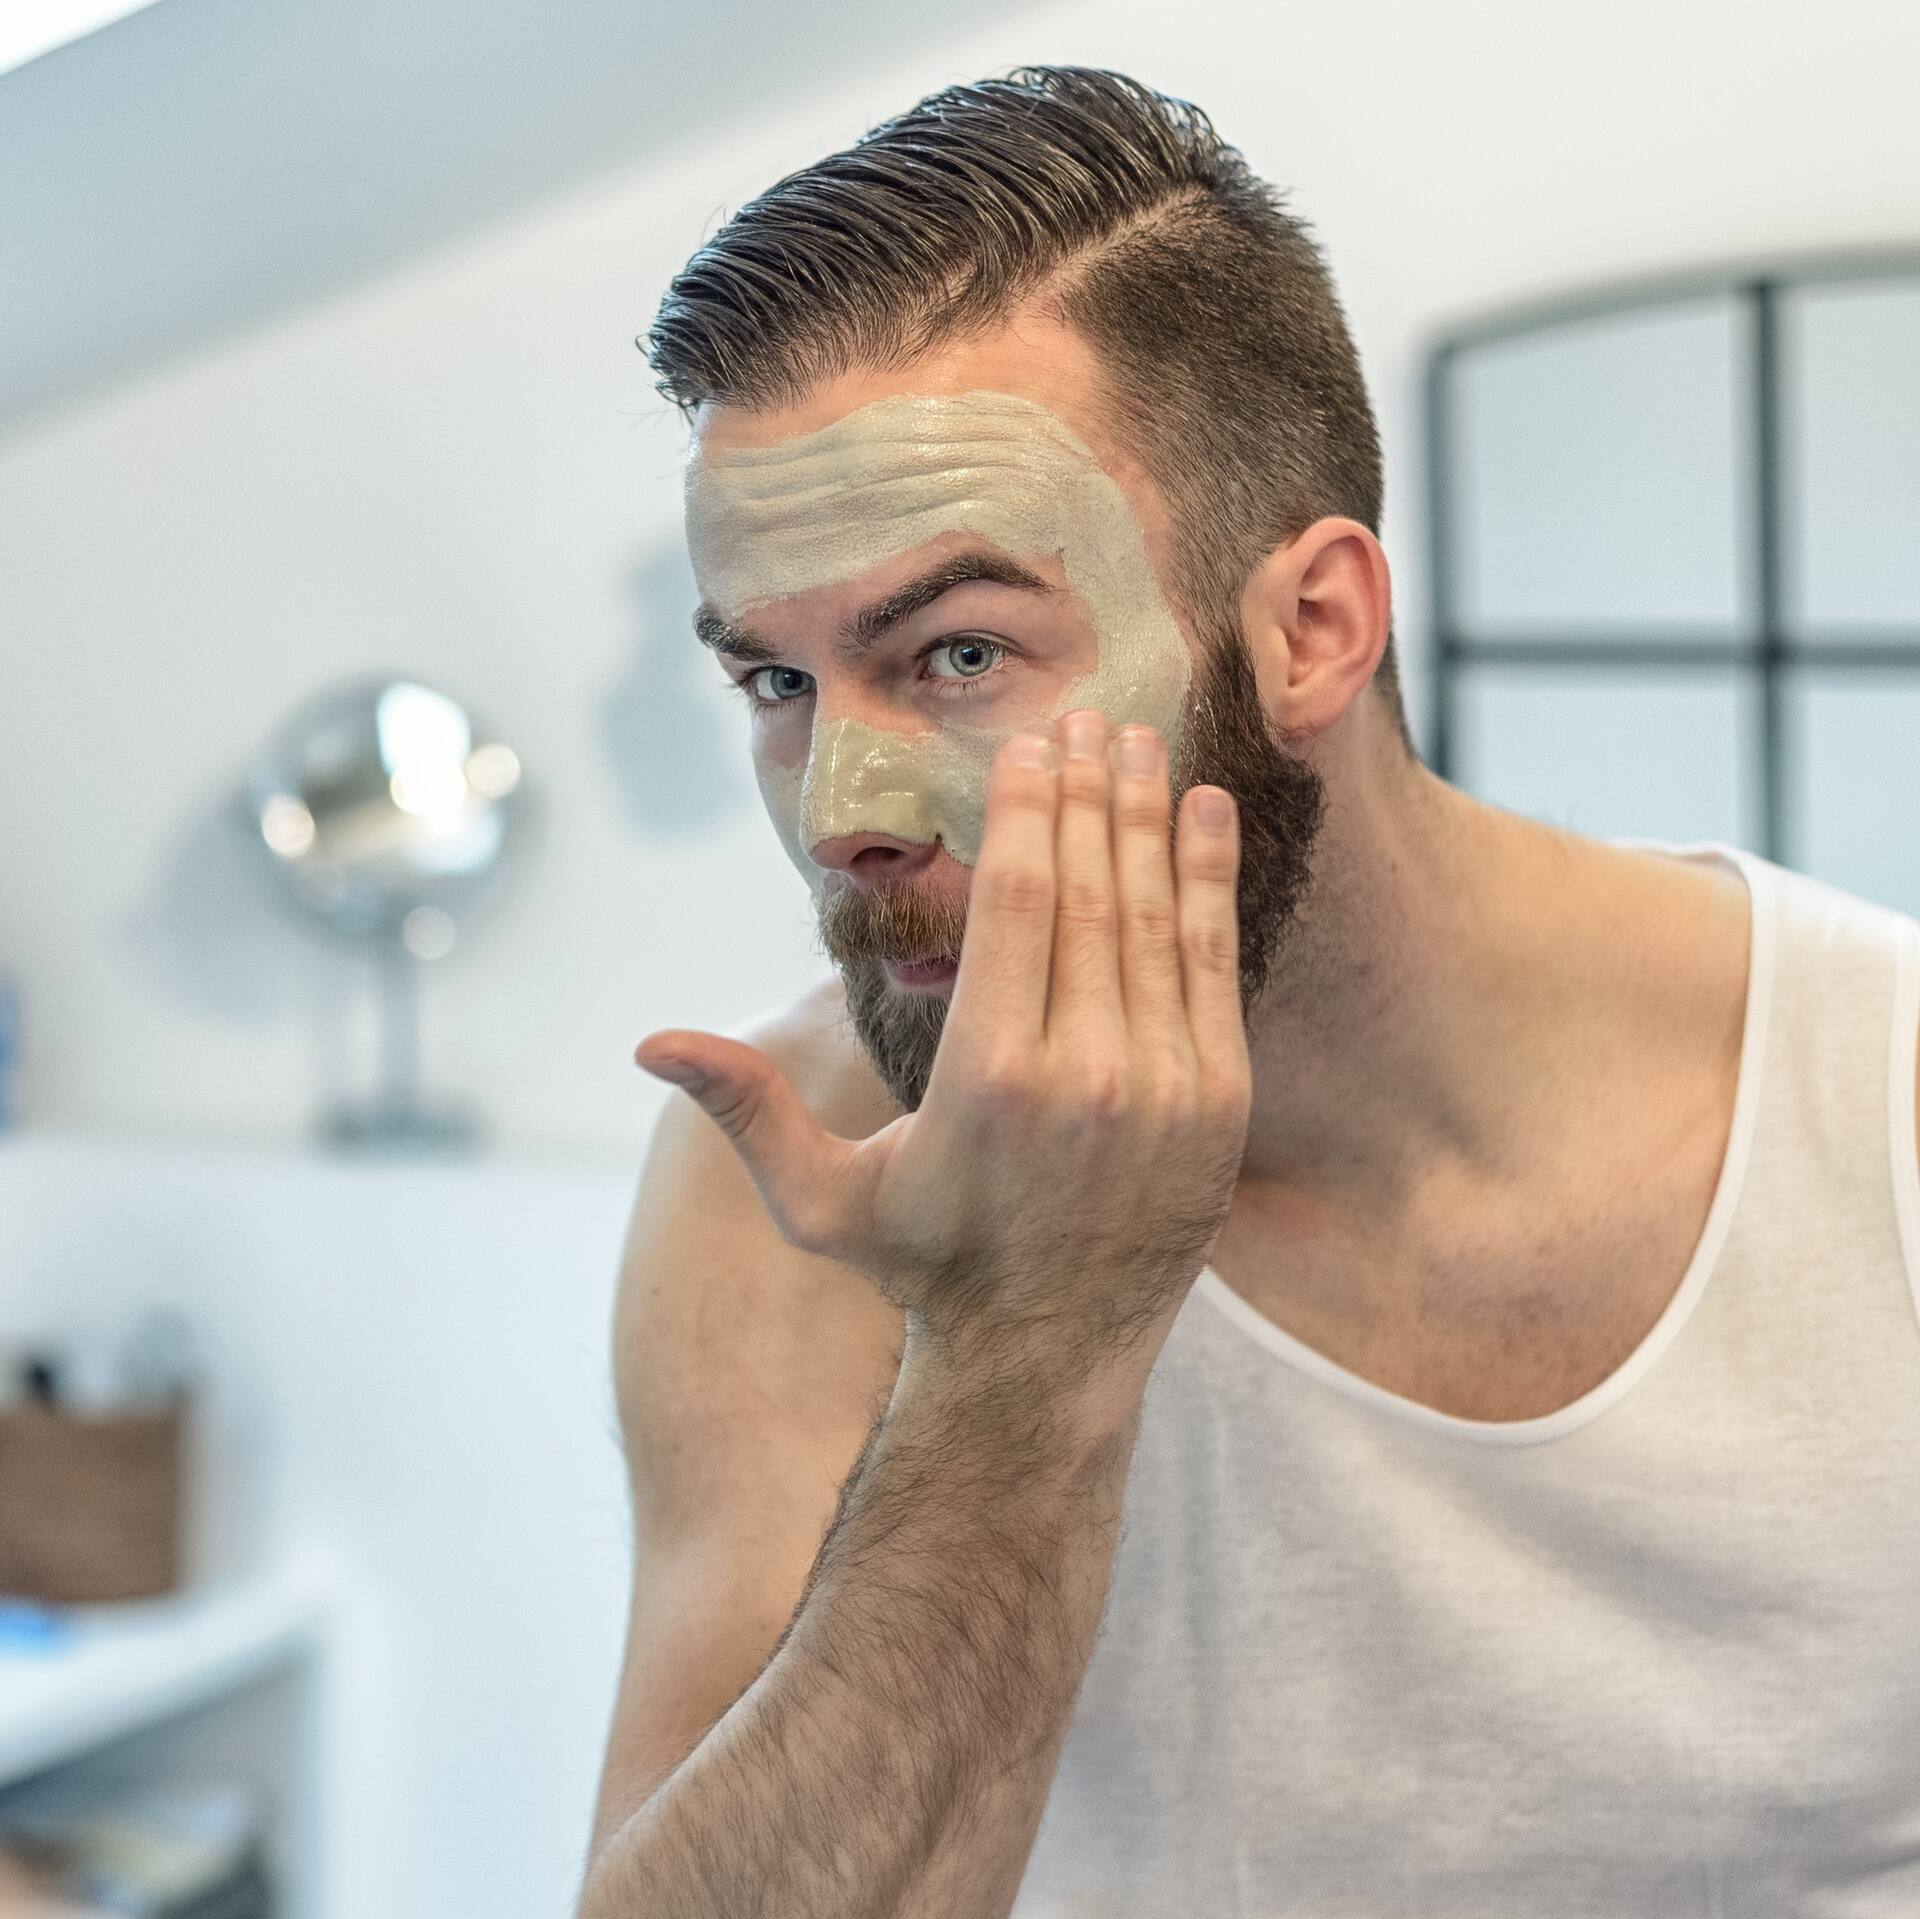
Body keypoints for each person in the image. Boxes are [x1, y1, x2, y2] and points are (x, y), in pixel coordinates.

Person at [577, 66, 1920, 1918]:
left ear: (1312, 630)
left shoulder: (1883, 1097)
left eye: (957, 652)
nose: (845, 816)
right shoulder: (805, 1186)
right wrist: (1018, 1352)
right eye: (778, 687)